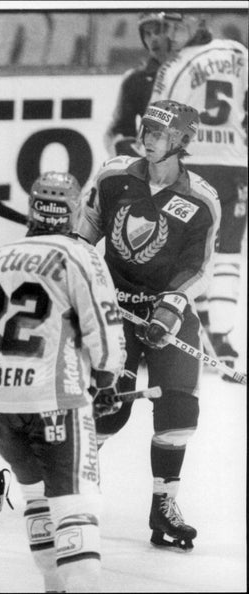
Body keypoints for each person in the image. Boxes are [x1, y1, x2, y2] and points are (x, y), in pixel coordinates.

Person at [0, 171, 125, 592]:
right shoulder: (80, 255)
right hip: (54, 399)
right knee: (76, 506)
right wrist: (103, 380)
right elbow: (104, 333)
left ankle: (53, 586)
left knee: (38, 499)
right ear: (74, 210)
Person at [76, 100, 220, 551]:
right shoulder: (114, 175)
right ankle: (74, 496)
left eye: (161, 132)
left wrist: (171, 307)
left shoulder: (200, 199)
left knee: (179, 409)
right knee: (108, 408)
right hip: (114, 314)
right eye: (147, 128)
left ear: (181, 140)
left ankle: (164, 505)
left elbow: (198, 266)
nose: (149, 136)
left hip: (168, 317)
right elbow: (84, 235)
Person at [149, 15, 248, 379]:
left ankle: (209, 330)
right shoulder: (237, 51)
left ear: (196, 22)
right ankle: (221, 338)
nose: (170, 36)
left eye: (176, 27)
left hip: (191, 167)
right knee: (228, 251)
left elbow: (155, 120)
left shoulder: (175, 65)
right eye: (165, 29)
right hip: (234, 164)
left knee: (196, 248)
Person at [104, 12, 185, 158]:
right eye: (147, 34)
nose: (153, 38)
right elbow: (119, 130)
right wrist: (128, 152)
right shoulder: (135, 80)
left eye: (158, 31)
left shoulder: (194, 70)